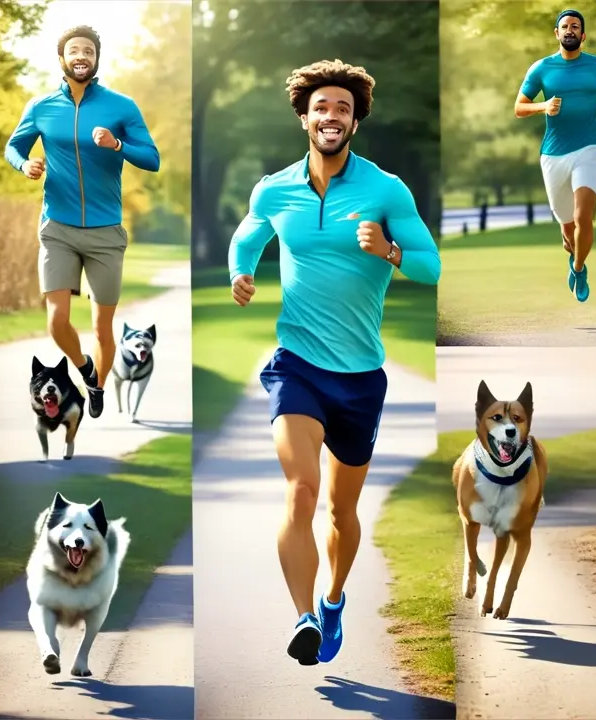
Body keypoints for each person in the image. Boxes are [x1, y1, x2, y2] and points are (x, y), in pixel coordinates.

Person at [228, 59, 441, 666]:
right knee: (301, 489)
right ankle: (301, 619)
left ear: (355, 121)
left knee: (341, 512)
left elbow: (432, 267)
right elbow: (247, 238)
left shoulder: (386, 189)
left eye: (342, 109)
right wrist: (242, 273)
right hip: (296, 365)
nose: (331, 116)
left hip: (361, 378)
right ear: (304, 117)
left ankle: (334, 599)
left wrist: (392, 250)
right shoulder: (274, 188)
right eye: (321, 107)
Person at [4, 25, 160, 418]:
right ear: (62, 59)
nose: (81, 56)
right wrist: (26, 164)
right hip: (57, 226)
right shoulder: (41, 107)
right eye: (74, 50)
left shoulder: (121, 106)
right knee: (57, 321)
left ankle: (98, 388)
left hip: (106, 231)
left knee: (103, 329)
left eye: (88, 50)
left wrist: (118, 145)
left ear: (96, 59)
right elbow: (13, 146)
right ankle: (87, 370)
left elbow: (152, 158)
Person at [514, 9, 596, 303]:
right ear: (556, 34)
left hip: (589, 148)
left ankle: (579, 267)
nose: (570, 30)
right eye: (564, 27)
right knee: (567, 230)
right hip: (553, 154)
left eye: (575, 26)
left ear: (583, 35)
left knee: (583, 216)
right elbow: (519, 107)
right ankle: (572, 255)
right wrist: (543, 106)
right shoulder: (541, 68)